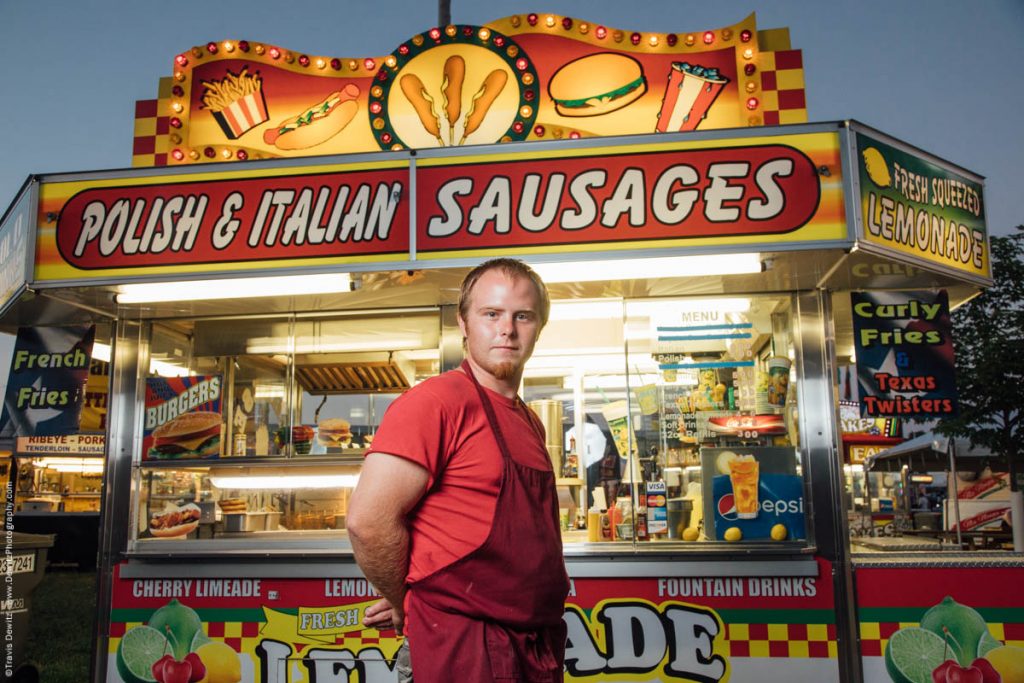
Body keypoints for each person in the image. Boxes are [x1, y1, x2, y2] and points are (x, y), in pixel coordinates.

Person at [348, 258, 569, 682]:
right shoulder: (435, 403)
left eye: (522, 315)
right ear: (464, 323)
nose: (507, 329)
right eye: (491, 314)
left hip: (532, 643)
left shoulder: (527, 418)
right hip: (462, 646)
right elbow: (368, 522)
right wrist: (405, 600)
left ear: (539, 325)